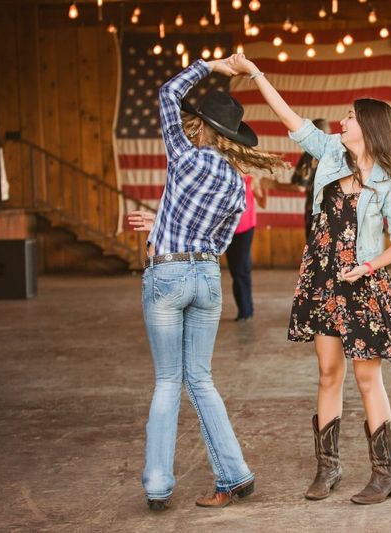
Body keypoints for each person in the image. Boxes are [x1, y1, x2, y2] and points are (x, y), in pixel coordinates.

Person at [224, 53, 391, 505]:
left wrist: (368, 267)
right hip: (322, 279)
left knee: (368, 380)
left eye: (350, 116)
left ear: (369, 125)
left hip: (362, 283)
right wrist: (256, 75)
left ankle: (385, 474)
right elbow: (289, 118)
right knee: (328, 373)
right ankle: (328, 469)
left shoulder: (386, 180)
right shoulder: (329, 152)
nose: (343, 121)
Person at [126, 58, 284, 511]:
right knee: (201, 379)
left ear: (200, 128)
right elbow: (219, 239)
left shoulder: (185, 154)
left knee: (167, 381)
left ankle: (157, 485)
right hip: (207, 278)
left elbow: (166, 95)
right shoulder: (238, 183)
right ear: (230, 135)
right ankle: (234, 473)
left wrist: (209, 65)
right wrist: (166, 223)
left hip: (168, 274)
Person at [225, 174, 267, 320]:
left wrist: (265, 189)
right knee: (235, 270)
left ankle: (245, 311)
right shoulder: (224, 177)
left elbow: (262, 203)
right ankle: (245, 309)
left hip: (246, 227)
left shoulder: (251, 180)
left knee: (241, 268)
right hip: (227, 229)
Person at [291, 118, 331, 239]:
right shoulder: (336, 152)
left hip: (316, 211)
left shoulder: (311, 153)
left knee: (314, 252)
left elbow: (300, 187)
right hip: (336, 211)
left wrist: (274, 184)